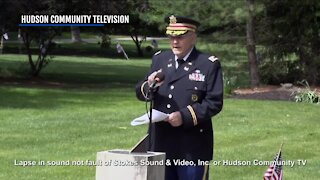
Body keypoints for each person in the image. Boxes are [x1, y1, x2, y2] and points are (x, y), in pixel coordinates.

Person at [135, 15, 223, 180]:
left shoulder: (207, 64)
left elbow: (214, 102)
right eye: (171, 36)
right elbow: (140, 92)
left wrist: (184, 116)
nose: (175, 41)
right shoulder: (160, 59)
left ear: (193, 37)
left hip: (191, 146)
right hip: (160, 144)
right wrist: (150, 85)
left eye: (180, 36)